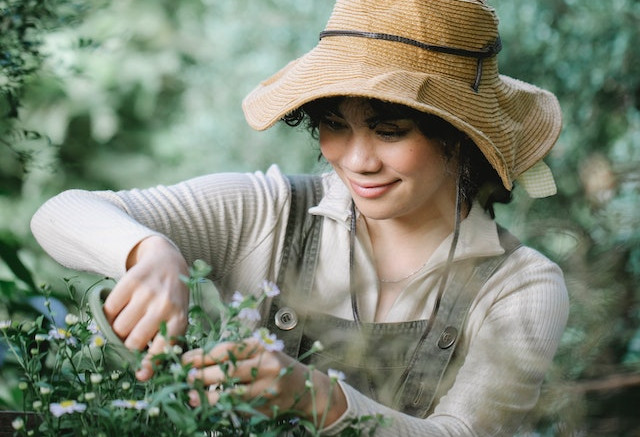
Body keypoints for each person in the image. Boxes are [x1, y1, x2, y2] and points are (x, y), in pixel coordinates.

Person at [30, 0, 569, 435]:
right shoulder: (267, 211)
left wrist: (319, 398)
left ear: (459, 136)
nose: (356, 161)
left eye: (389, 130)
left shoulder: (520, 285)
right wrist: (149, 252)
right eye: (335, 124)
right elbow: (60, 214)